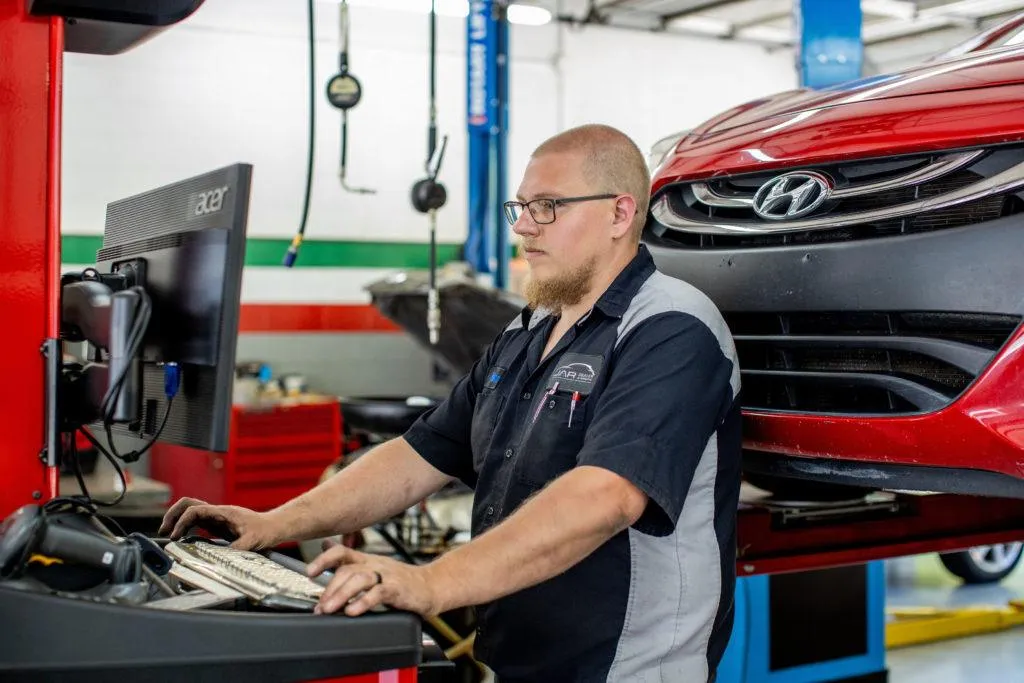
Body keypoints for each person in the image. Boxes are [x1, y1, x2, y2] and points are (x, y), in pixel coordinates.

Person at [159, 124, 742, 682]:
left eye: (548, 207)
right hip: (519, 655)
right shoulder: (530, 330)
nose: (524, 228)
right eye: (520, 208)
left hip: (625, 668)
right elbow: (419, 455)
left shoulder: (671, 327)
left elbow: (605, 495)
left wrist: (431, 583)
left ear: (619, 213)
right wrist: (273, 523)